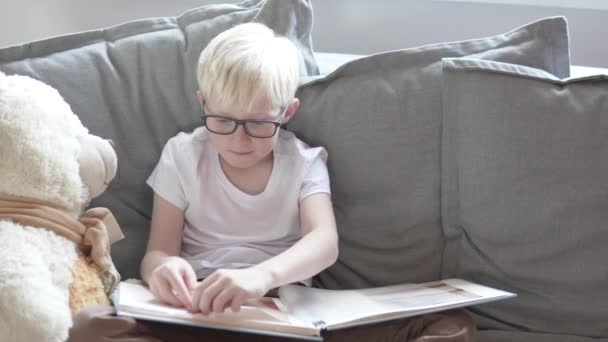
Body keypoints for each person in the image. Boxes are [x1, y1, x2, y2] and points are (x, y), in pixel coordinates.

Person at [140, 22, 339, 314]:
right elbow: (157, 252)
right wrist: (162, 269)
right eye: (222, 121)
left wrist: (261, 275)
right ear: (203, 104)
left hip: (276, 299)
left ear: (287, 113)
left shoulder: (304, 163)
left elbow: (324, 242)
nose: (239, 140)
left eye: (258, 123)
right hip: (195, 299)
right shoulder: (182, 155)